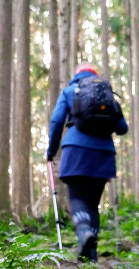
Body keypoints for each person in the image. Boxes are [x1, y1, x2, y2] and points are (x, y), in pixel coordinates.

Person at [47, 63, 128, 263]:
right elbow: (122, 128)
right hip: (103, 154)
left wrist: (51, 151)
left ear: (77, 76)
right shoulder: (106, 94)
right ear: (95, 76)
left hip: (76, 150)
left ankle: (83, 233)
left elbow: (57, 121)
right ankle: (90, 257)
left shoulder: (69, 91)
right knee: (93, 204)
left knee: (77, 199)